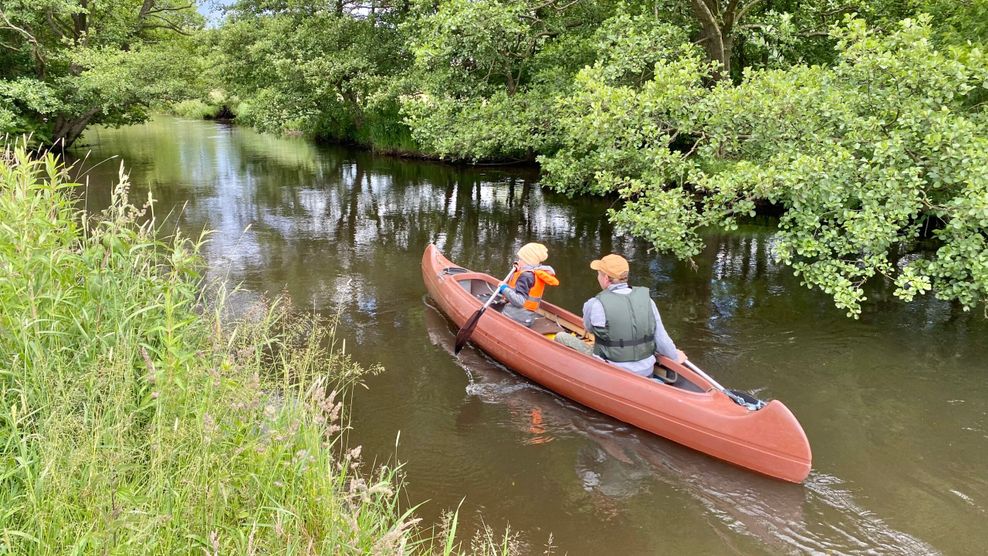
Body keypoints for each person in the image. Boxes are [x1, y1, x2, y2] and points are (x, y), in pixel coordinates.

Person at [580, 253, 685, 376]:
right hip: (646, 370)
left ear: (606, 278)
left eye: (598, 274)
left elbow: (588, 328)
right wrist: (675, 357)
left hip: (612, 370)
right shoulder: (648, 301)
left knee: (562, 337)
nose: (598, 277)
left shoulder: (594, 304)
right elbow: (661, 339)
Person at [497, 242, 559, 327]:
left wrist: (503, 288)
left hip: (516, 317)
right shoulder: (533, 272)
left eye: (520, 259)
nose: (518, 261)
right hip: (527, 317)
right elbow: (518, 291)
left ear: (528, 261)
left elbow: (519, 301)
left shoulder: (525, 276)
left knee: (493, 312)